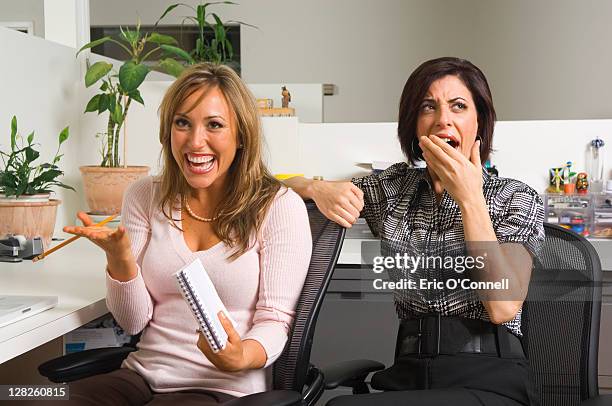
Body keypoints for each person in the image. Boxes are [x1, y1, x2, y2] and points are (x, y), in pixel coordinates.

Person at [285, 57, 544, 405]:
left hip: (489, 378)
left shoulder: (515, 196)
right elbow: (260, 184)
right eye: (428, 106)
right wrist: (315, 187)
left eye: (459, 106)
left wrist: (470, 199)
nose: (443, 119)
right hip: (409, 375)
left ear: (478, 121)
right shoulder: (394, 190)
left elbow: (503, 306)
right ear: (415, 125)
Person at [55, 63, 312, 405]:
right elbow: (133, 322)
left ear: (241, 136)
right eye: (182, 123)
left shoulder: (278, 207)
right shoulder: (144, 195)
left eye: (215, 125)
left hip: (223, 387)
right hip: (142, 375)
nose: (195, 142)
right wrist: (121, 261)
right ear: (167, 131)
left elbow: (275, 321)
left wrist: (240, 356)